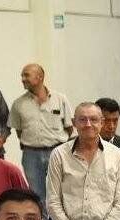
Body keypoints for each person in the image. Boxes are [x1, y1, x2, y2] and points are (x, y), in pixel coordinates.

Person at [8, 64, 73, 204]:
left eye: (26, 75)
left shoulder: (60, 99)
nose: (22, 79)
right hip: (31, 155)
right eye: (22, 75)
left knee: (61, 193)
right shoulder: (18, 104)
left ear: (40, 77)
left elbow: (69, 127)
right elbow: (19, 131)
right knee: (37, 196)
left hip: (57, 152)